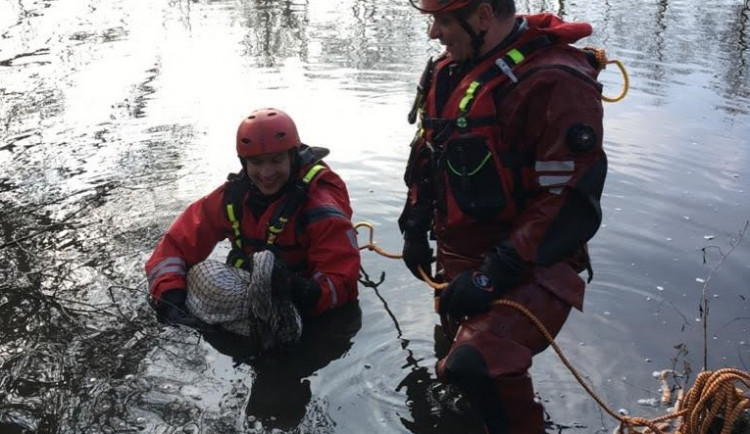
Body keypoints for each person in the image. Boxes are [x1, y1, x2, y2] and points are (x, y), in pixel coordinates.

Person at [399, 1, 608, 433]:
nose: (433, 34)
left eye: (442, 21)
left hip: (535, 264)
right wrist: (416, 223)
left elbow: (567, 201)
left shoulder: (553, 81)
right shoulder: (447, 71)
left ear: (481, 17)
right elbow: (427, 152)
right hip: (459, 257)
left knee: (477, 364)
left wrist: (493, 274)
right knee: (459, 371)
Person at [145, 107, 361, 328]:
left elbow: (342, 284)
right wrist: (169, 296)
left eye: (276, 160)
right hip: (251, 291)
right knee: (200, 276)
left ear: (292, 157)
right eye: (256, 163)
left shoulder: (320, 206)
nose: (266, 174)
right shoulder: (232, 197)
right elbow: (174, 246)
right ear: (244, 163)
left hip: (309, 308)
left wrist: (299, 290)